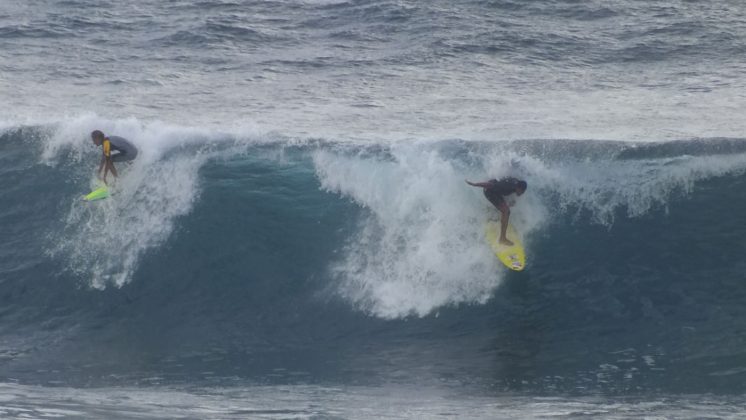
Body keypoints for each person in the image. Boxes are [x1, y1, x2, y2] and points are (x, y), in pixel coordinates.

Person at [466, 177, 527, 246]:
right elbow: (490, 185)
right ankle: (502, 239)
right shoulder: (507, 186)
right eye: (521, 192)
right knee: (506, 211)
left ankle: (492, 211)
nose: (521, 194)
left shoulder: (516, 183)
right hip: (489, 191)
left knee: (509, 205)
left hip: (496, 190)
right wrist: (475, 184)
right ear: (518, 188)